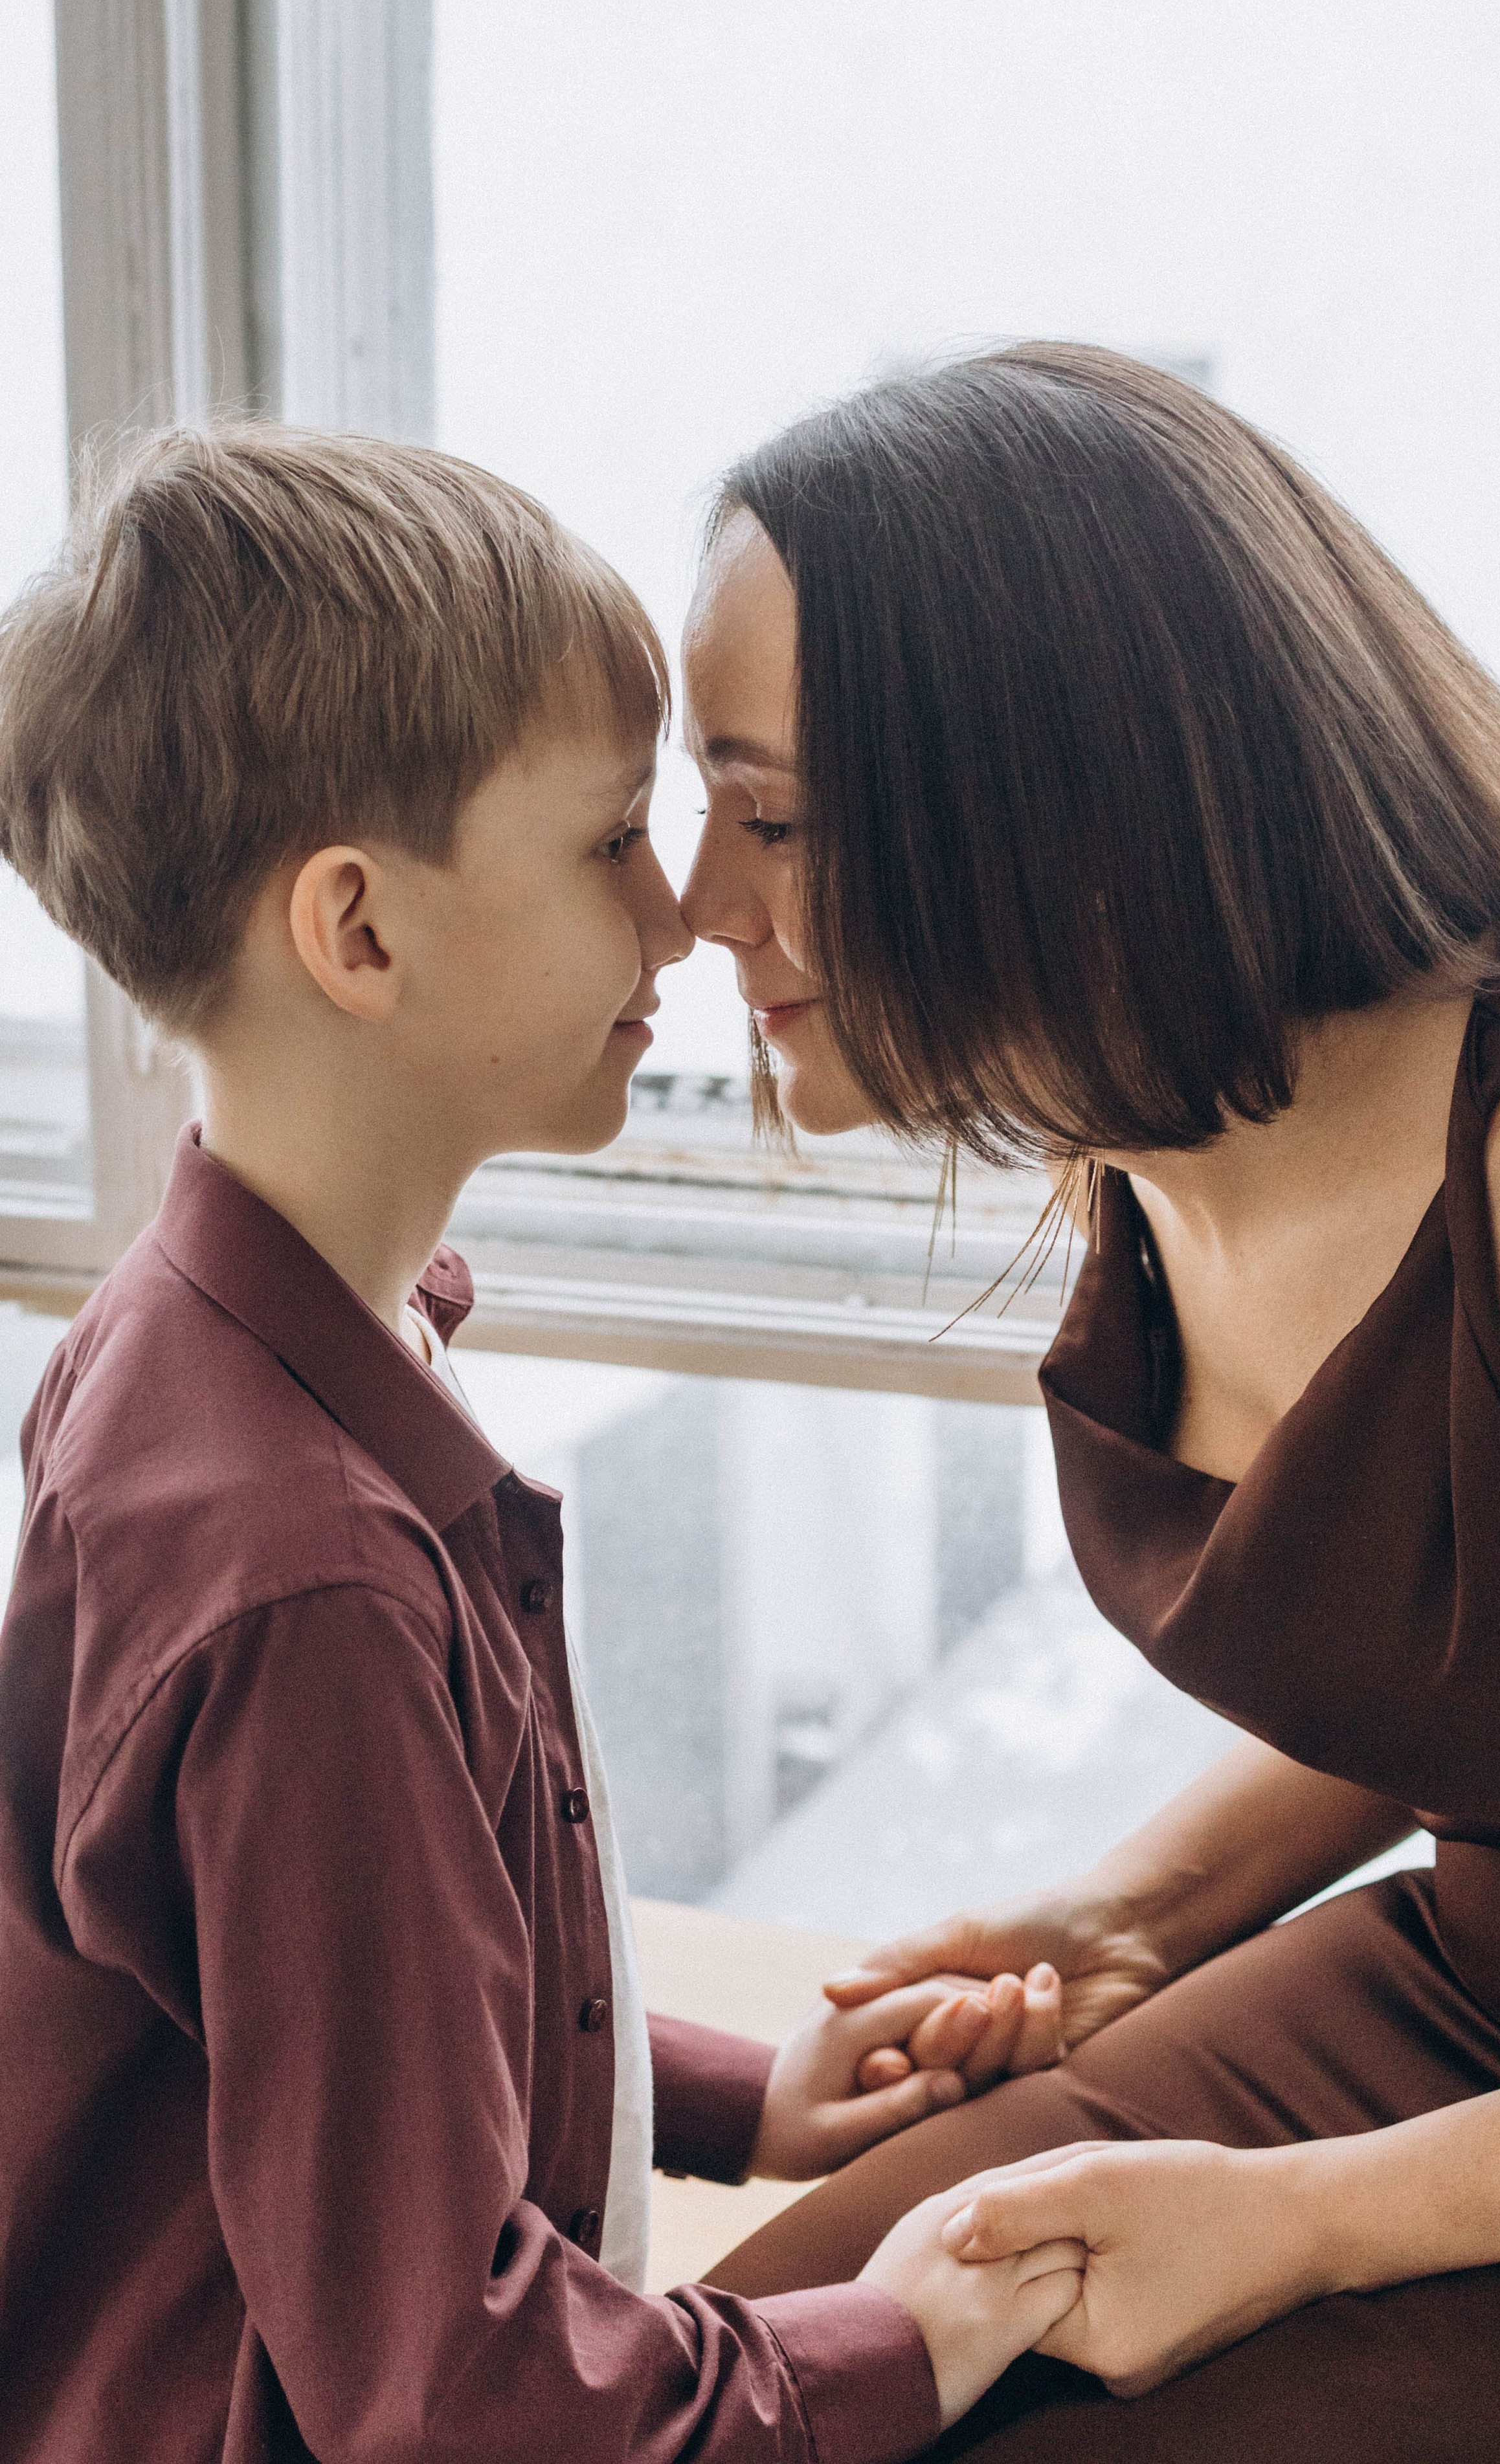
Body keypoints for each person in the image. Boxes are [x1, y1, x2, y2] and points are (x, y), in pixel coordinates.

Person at [0, 426, 1085, 2464]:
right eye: (609, 842)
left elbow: (316, 2012)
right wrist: (905, 2339)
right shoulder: (303, 1570)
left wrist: (725, 2098)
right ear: (362, 934)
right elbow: (455, 2400)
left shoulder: (218, 1350)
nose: (683, 912)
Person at [677, 344, 1500, 2461]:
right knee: (728, 2399)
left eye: (769, 815)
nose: (694, 905)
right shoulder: (1130, 1119)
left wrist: (1301, 2227)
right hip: (1470, 2001)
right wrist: (1139, 1912)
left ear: (1046, 809)